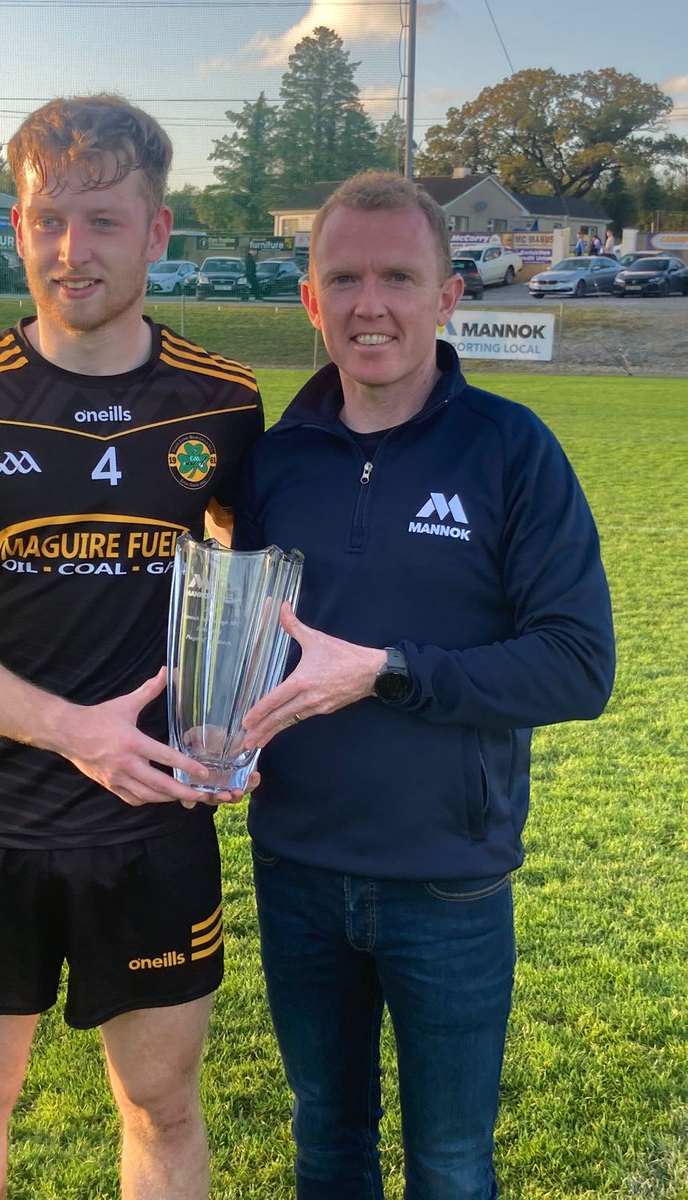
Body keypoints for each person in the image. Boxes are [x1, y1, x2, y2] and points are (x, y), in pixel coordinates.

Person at [0, 94, 263, 1200]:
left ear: (157, 232)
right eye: (49, 220)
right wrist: (72, 731)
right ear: (17, 223)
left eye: (101, 220)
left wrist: (235, 710)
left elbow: (243, 587)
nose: (70, 250)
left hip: (157, 824)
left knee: (163, 1105)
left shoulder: (222, 405)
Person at [234, 170, 615, 1200]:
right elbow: (241, 641)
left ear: (449, 296)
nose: (371, 305)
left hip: (449, 879)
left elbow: (581, 664)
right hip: (297, 869)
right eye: (344, 278)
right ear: (310, 299)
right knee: (328, 1143)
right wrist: (217, 733)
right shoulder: (269, 465)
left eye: (399, 276)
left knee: (449, 1165)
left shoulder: (511, 451)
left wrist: (389, 673)